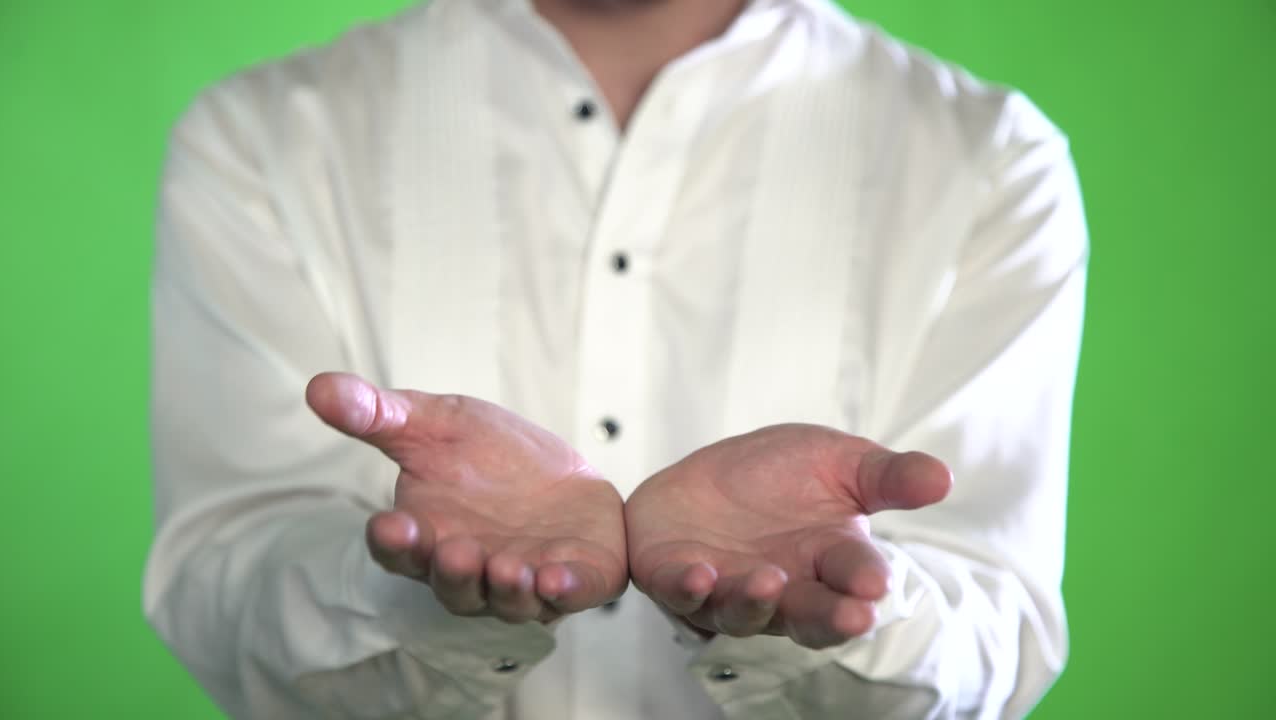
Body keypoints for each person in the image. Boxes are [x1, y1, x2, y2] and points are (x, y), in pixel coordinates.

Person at [141, 0, 1088, 717]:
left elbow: (998, 625)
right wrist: (411, 598)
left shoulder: (991, 163)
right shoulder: (262, 142)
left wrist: (845, 604)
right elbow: (220, 586)